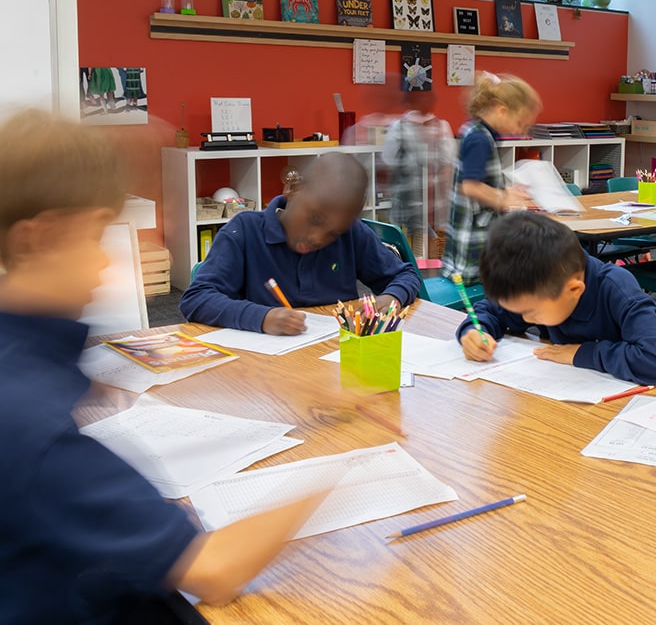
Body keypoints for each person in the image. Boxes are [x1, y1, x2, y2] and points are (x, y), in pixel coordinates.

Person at [0, 109, 327, 625]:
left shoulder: (25, 357)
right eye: (93, 237)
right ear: (35, 239)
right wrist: (336, 479)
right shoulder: (29, 424)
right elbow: (214, 570)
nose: (105, 262)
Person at [180, 152, 422, 335]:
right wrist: (262, 318)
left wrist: (392, 297)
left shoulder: (351, 233)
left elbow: (406, 275)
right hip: (264, 373)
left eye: (333, 233)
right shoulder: (244, 231)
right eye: (314, 219)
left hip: (332, 360)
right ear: (293, 189)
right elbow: (197, 299)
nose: (318, 238)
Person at [457, 211, 656, 387]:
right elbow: (490, 311)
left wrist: (582, 354)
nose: (525, 318)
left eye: (533, 312)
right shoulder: (540, 287)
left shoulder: (617, 289)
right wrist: (475, 331)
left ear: (574, 290)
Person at [441, 71, 542, 286]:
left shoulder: (478, 131)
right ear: (501, 110)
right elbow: (469, 186)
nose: (521, 130)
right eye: (520, 122)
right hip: (473, 241)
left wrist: (506, 192)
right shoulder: (479, 139)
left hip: (476, 231)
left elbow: (480, 180)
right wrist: (502, 199)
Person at [380, 91, 457, 243]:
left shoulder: (399, 127)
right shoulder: (441, 126)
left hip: (409, 196)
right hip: (431, 198)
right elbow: (448, 160)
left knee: (411, 242)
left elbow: (388, 159)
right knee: (432, 243)